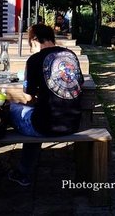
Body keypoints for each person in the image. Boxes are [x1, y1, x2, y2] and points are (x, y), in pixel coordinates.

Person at [8, 24, 84, 186]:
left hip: (44, 126)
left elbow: (28, 97)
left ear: (34, 40)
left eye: (30, 44)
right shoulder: (71, 56)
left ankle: (20, 170)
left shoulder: (34, 60)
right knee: (39, 113)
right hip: (72, 124)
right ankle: (23, 170)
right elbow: (78, 85)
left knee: (9, 107)